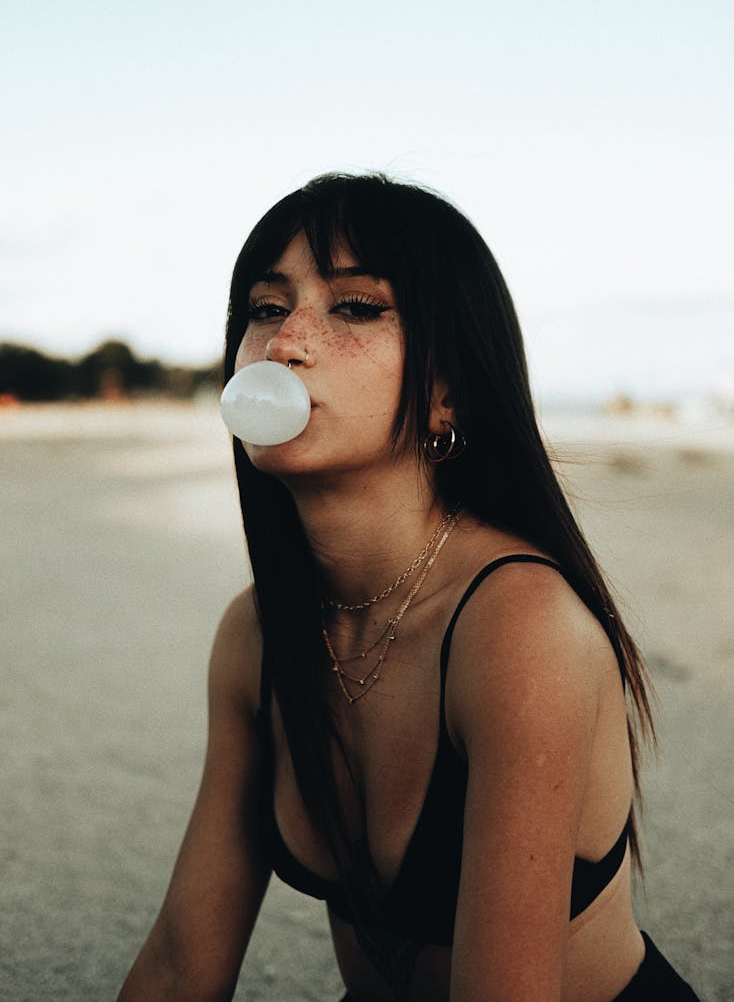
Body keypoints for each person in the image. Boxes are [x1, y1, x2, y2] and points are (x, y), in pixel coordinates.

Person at [119, 173, 700, 1001]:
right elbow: (183, 962)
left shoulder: (519, 627)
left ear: (445, 391)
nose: (286, 341)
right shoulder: (258, 634)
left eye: (355, 306)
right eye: (265, 306)